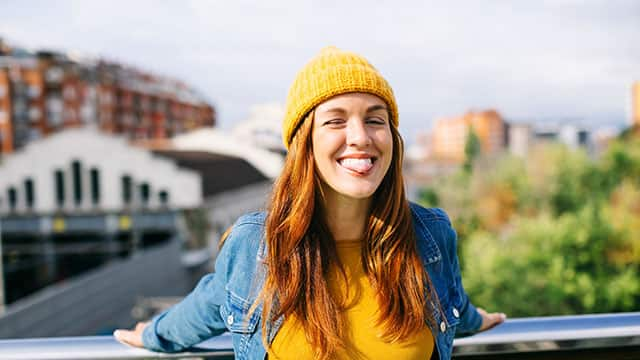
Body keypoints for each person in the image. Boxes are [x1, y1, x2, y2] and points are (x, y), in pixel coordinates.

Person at [114, 46, 506, 360]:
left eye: (375, 119)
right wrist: (153, 334)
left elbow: (451, 301)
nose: (360, 137)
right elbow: (209, 303)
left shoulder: (430, 236)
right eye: (335, 121)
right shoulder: (258, 246)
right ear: (306, 144)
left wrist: (475, 320)